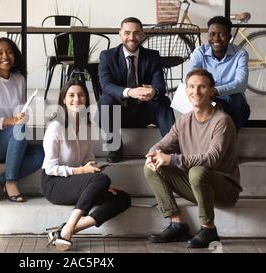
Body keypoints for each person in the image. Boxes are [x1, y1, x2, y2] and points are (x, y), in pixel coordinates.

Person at [143, 68, 242, 248]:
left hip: (224, 189)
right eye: (191, 87)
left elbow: (212, 159)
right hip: (197, 184)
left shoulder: (222, 121)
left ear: (212, 91)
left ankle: (209, 229)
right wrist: (153, 154)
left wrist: (172, 159)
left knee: (197, 171)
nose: (196, 92)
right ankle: (177, 224)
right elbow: (163, 144)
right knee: (151, 167)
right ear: (186, 90)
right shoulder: (184, 120)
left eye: (202, 87)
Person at [42, 78, 131, 251]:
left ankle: (67, 229)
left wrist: (95, 176)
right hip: (54, 183)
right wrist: (86, 172)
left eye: (81, 95)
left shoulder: (87, 126)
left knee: (122, 197)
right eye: (71, 95)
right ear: (63, 100)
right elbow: (50, 168)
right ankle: (68, 228)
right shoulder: (55, 127)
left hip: (78, 181)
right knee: (101, 180)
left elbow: (88, 160)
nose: (77, 99)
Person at [0, 37, 44, 202]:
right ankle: (11, 182)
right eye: (0, 53)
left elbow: (20, 112)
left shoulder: (19, 79)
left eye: (9, 52)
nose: (5, 56)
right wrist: (12, 121)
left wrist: (21, 117)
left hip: (12, 141)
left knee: (40, 153)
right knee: (19, 128)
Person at [98, 17, 175, 163]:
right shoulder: (107, 56)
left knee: (163, 100)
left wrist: (153, 92)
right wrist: (130, 92)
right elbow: (106, 86)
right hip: (119, 114)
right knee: (105, 100)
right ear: (119, 34)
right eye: (127, 33)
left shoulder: (153, 56)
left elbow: (160, 87)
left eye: (136, 33)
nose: (132, 38)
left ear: (143, 35)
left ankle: (171, 148)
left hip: (143, 112)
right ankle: (114, 149)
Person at [187, 16, 250, 131]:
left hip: (230, 98)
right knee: (197, 98)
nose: (216, 39)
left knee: (238, 100)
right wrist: (207, 92)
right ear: (208, 35)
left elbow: (241, 84)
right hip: (207, 97)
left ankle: (230, 135)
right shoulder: (200, 52)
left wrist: (216, 91)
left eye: (222, 34)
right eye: (212, 34)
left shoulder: (240, 54)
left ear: (229, 37)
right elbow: (189, 78)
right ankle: (204, 135)